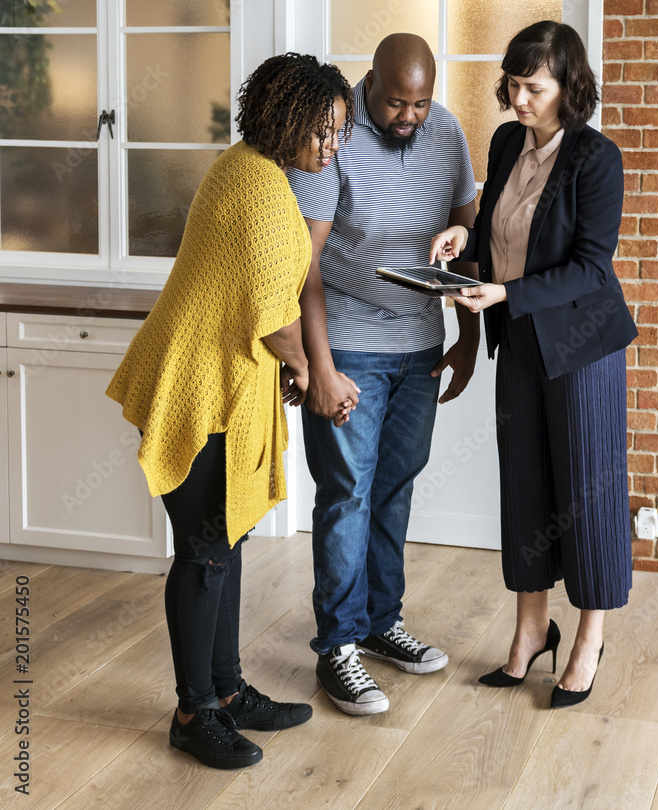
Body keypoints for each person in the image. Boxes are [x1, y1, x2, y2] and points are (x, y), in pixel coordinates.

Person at [106, 53, 353, 768]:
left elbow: (266, 308)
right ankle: (193, 713)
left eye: (339, 133)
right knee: (207, 553)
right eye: (324, 130)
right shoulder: (260, 191)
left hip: (218, 383)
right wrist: (311, 373)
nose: (330, 145)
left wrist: (300, 369)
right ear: (287, 118)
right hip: (199, 388)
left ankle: (226, 691)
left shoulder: (251, 170)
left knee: (225, 539)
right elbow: (275, 319)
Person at [429, 21, 638, 709]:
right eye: (513, 85)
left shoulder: (596, 159)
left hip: (581, 350)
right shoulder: (504, 141)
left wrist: (506, 292)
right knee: (524, 487)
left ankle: (589, 636)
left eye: (534, 87)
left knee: (587, 491)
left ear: (568, 87)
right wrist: (467, 238)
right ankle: (530, 630)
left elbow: (589, 267)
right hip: (516, 337)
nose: (518, 99)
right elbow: (499, 222)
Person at [287, 33, 479, 716]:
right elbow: (302, 267)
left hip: (421, 346)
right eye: (397, 103)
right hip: (351, 346)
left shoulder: (447, 130)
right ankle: (337, 645)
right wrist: (320, 366)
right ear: (370, 85)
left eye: (420, 103)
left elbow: (465, 234)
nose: (410, 116)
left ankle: (378, 622)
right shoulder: (332, 135)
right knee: (346, 494)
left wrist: (466, 335)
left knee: (394, 488)